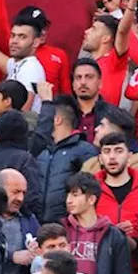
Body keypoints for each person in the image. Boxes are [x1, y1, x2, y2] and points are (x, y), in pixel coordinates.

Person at [62, 172, 135, 274]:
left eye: (75, 195)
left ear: (91, 200)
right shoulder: (61, 231)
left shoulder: (113, 235)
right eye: (68, 195)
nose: (68, 200)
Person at [34, 95, 98, 223]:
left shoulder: (84, 150)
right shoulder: (42, 150)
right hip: (37, 224)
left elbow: (90, 188)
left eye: (48, 117)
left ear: (57, 120)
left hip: (68, 225)